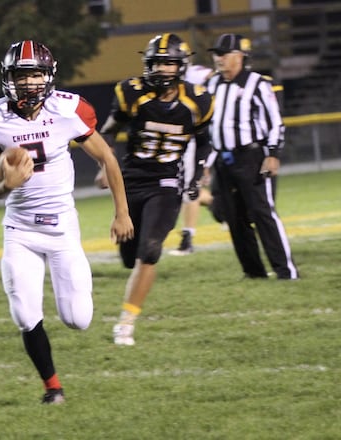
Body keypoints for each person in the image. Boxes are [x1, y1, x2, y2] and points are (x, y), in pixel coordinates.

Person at [0, 40, 134, 404]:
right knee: (24, 313)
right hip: (20, 230)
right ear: (8, 78)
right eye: (21, 76)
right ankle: (53, 388)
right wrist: (7, 184)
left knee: (78, 319)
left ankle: (59, 365)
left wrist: (122, 212)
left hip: (62, 229)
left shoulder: (69, 110)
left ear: (48, 76)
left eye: (35, 75)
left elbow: (108, 159)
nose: (28, 83)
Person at [101, 33, 214, 346]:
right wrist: (103, 163)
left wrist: (197, 174)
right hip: (131, 180)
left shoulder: (198, 100)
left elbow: (204, 141)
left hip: (166, 182)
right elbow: (108, 131)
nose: (161, 69)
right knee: (129, 257)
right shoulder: (132, 93)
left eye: (168, 63)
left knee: (150, 251)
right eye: (156, 63)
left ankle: (126, 323)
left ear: (180, 66)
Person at [205, 34, 299, 280]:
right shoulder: (212, 84)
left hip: (251, 157)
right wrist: (206, 162)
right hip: (223, 160)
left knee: (262, 213)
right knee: (232, 217)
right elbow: (208, 127)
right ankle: (253, 271)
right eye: (216, 54)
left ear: (239, 56)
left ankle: (285, 270)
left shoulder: (257, 83)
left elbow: (275, 122)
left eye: (223, 54)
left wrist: (273, 154)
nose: (218, 58)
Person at [168, 64, 218, 256]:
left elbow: (216, 77)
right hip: (175, 140)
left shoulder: (196, 74)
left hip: (196, 140)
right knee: (180, 190)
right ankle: (221, 206)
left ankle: (187, 238)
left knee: (189, 189)